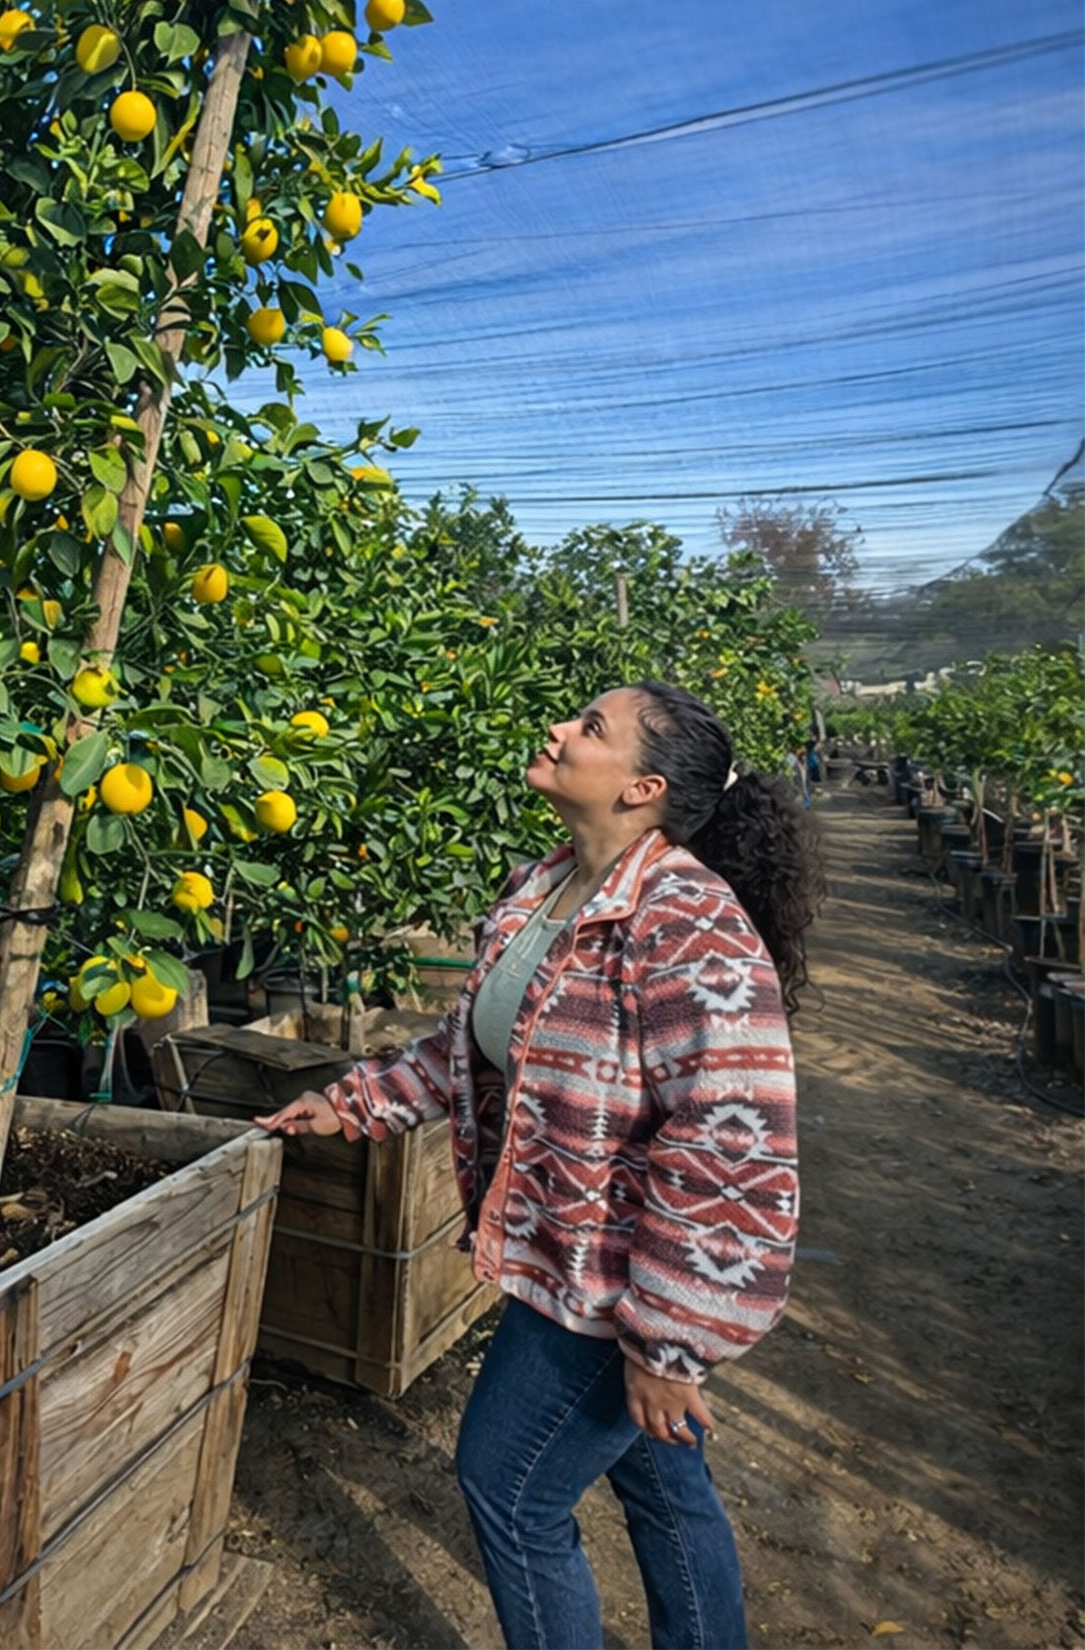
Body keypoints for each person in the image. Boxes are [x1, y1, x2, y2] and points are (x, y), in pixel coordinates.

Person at [257, 681, 823, 1650]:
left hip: (613, 1283)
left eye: (590, 727)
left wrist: (666, 1343)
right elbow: (475, 1045)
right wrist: (352, 1103)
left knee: (508, 1486)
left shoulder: (688, 925)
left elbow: (731, 1146)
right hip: (559, 1251)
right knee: (662, 1478)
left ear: (642, 787)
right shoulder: (546, 888)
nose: (559, 728)